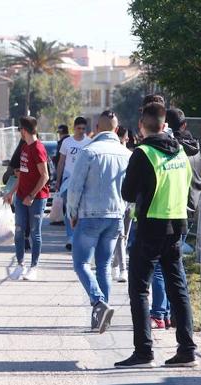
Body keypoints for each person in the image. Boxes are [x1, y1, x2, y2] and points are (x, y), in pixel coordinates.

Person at [116, 102, 197, 368]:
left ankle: (144, 352)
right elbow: (187, 187)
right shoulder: (181, 153)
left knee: (139, 288)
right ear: (165, 125)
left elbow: (127, 193)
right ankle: (187, 349)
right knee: (178, 288)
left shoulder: (143, 153)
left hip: (151, 226)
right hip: (177, 226)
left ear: (142, 126)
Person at [66, 110, 130, 334]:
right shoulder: (126, 154)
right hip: (115, 217)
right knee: (103, 266)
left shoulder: (89, 151)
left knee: (81, 264)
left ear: (97, 126)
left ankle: (98, 302)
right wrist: (124, 210)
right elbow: (130, 190)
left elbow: (75, 187)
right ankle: (102, 317)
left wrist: (71, 213)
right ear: (116, 127)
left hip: (90, 215)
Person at [150, 108, 201, 329]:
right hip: (192, 206)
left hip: (171, 207)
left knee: (163, 267)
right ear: (185, 125)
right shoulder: (196, 148)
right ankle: (173, 315)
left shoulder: (171, 149)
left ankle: (160, 313)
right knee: (176, 265)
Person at [4, 117, 49, 281]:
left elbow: (45, 176)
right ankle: (20, 265)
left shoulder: (38, 148)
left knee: (35, 233)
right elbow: (21, 175)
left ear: (24, 130)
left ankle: (34, 267)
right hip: (21, 197)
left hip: (36, 198)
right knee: (18, 231)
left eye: (20, 130)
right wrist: (11, 192)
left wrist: (32, 195)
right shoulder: (24, 148)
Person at [56, 117, 92, 251]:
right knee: (69, 208)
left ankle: (79, 235)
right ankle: (70, 236)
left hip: (83, 181)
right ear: (74, 128)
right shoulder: (67, 142)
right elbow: (61, 162)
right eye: (79, 128)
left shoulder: (89, 142)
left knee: (81, 209)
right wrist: (58, 180)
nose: (81, 131)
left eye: (83, 129)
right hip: (68, 180)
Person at [112, 126, 133, 283]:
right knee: (121, 235)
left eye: (123, 138)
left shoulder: (131, 155)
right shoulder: (116, 154)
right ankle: (122, 269)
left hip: (130, 201)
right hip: (119, 200)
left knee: (125, 234)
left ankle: (114, 264)